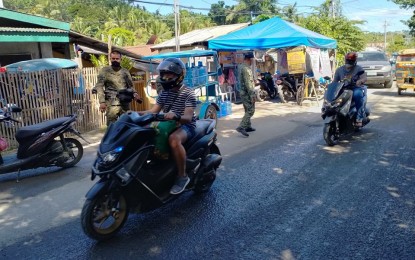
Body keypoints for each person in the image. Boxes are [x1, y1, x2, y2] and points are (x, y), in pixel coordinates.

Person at [139, 58, 197, 195]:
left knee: (173, 140)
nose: (165, 77)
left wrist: (176, 116)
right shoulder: (164, 93)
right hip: (168, 124)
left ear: (179, 76)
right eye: (163, 74)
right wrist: (133, 113)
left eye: (169, 74)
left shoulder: (189, 93)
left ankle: (182, 176)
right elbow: (153, 112)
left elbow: (188, 117)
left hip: (186, 125)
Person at [93, 50, 142, 126]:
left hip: (125, 103)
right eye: (113, 58)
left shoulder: (125, 71)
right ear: (110, 59)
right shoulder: (105, 71)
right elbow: (99, 86)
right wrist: (102, 102)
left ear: (120, 59)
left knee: (127, 126)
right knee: (112, 128)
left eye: (117, 58)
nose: (115, 60)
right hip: (111, 104)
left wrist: (135, 94)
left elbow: (131, 86)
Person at [333, 52, 367, 127]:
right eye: (348, 60)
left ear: (354, 61)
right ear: (345, 60)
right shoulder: (339, 70)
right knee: (334, 97)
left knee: (357, 95)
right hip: (343, 89)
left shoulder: (358, 68)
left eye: (351, 61)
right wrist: (331, 86)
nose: (349, 62)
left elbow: (364, 77)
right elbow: (335, 81)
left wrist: (360, 81)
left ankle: (359, 118)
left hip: (355, 88)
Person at [236, 52, 256, 137]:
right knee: (251, 110)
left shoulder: (241, 66)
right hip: (247, 93)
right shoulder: (246, 69)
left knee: (247, 109)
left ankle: (248, 126)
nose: (252, 62)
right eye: (252, 60)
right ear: (249, 59)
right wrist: (252, 95)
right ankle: (242, 127)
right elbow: (248, 83)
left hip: (243, 92)